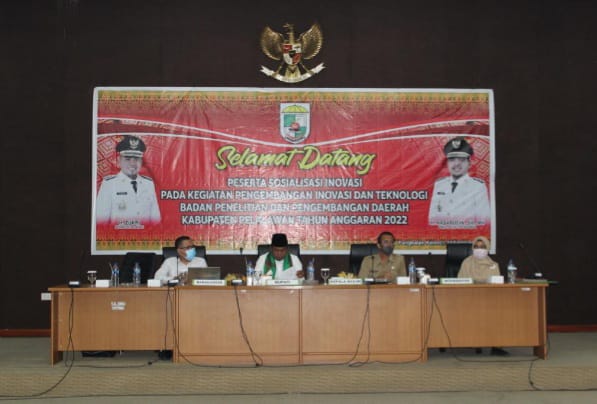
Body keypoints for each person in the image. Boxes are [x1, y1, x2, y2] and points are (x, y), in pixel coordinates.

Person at [96, 135, 161, 229]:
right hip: (119, 237)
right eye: (127, 159)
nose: (132, 163)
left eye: (136, 159)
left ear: (141, 161)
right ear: (119, 161)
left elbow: (156, 221)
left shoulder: (149, 184)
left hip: (145, 237)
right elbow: (101, 223)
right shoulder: (109, 184)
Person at [458, 235, 508, 356]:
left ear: (488, 248)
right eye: (476, 246)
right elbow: (460, 282)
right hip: (468, 298)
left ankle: (497, 345)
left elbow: (497, 283)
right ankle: (472, 340)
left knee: (499, 312)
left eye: (482, 247)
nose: (479, 249)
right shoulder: (466, 263)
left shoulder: (493, 265)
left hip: (489, 299)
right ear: (472, 248)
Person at [428, 137, 490, 228]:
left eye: (461, 159)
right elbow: (432, 219)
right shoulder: (439, 184)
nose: (456, 164)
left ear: (469, 163)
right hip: (443, 235)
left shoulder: (478, 186)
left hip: (467, 235)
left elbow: (484, 220)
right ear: (447, 164)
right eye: (452, 159)